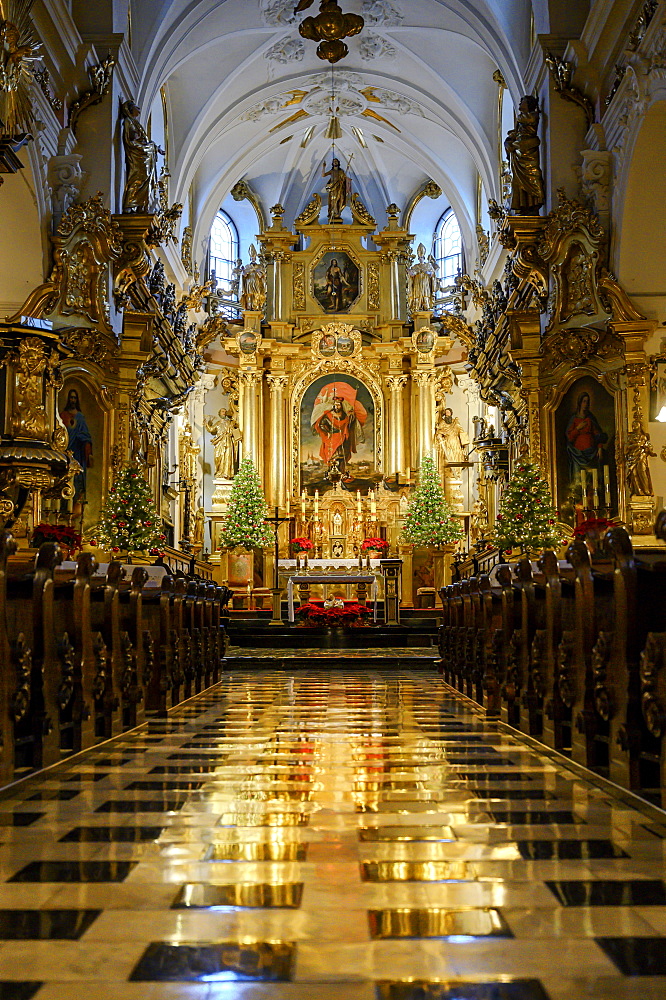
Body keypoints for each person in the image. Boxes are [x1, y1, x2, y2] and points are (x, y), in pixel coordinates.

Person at [311, 382, 367, 481]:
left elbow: (349, 424)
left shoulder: (345, 415)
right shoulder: (328, 414)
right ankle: (331, 473)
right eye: (335, 405)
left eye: (339, 405)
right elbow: (321, 424)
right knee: (332, 457)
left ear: (341, 405)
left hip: (342, 438)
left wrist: (351, 417)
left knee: (342, 456)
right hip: (331, 439)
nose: (337, 407)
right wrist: (328, 431)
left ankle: (342, 472)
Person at [504, 95, 545, 215]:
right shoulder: (520, 118)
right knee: (518, 180)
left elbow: (530, 121)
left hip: (529, 149)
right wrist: (508, 141)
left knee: (533, 174)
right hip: (519, 151)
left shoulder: (533, 115)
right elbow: (515, 133)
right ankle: (524, 204)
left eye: (522, 102)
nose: (520, 104)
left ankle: (535, 200)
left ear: (528, 104)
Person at [120, 100, 163, 213]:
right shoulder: (128, 122)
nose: (138, 108)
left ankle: (140, 205)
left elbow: (145, 140)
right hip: (139, 155)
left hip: (145, 155)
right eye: (135, 107)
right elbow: (132, 140)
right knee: (139, 178)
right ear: (130, 110)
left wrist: (155, 148)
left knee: (146, 180)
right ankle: (129, 204)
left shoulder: (135, 122)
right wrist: (146, 148)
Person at [565, 391, 608, 481]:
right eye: (584, 401)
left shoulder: (590, 419)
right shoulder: (574, 419)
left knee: (591, 479)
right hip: (577, 454)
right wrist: (578, 428)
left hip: (591, 453)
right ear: (580, 402)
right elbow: (569, 437)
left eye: (587, 402)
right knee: (578, 479)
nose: (586, 404)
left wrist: (600, 447)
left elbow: (597, 435)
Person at [60, 388, 93, 500]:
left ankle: (77, 504)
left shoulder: (80, 417)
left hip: (78, 452)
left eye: (74, 398)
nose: (73, 400)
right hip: (64, 452)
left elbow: (86, 435)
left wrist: (87, 449)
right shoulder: (63, 415)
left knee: (78, 480)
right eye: (71, 397)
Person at [207, 406, 241, 480]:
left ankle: (226, 473)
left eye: (225, 411)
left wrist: (230, 433)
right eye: (222, 411)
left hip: (228, 441)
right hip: (219, 442)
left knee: (227, 456)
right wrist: (207, 423)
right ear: (219, 413)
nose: (224, 413)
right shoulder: (218, 423)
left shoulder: (229, 422)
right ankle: (219, 472)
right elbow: (211, 429)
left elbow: (233, 430)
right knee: (218, 457)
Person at [322, 157, 349, 222]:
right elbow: (323, 175)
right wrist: (323, 167)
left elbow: (345, 179)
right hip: (333, 188)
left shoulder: (341, 171)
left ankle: (338, 212)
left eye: (336, 161)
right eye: (334, 161)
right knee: (333, 200)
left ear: (338, 163)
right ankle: (333, 212)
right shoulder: (332, 171)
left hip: (339, 187)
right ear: (332, 163)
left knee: (341, 200)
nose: (335, 162)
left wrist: (343, 180)